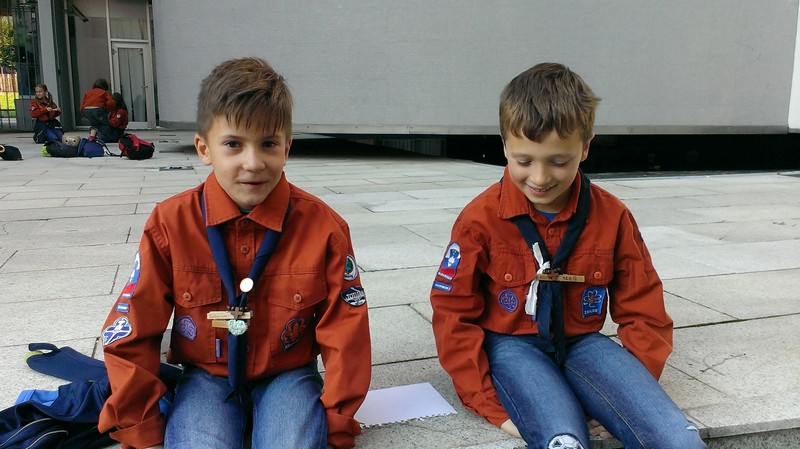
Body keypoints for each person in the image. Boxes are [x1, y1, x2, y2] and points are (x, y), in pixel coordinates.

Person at [97, 57, 371, 449]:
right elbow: (133, 326)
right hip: (207, 375)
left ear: (287, 147)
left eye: (268, 144)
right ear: (203, 148)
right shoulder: (170, 223)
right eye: (233, 144)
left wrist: (337, 419)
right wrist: (141, 423)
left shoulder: (324, 227)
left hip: (288, 373)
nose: (253, 163)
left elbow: (347, 331)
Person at [430, 63, 707, 449]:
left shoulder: (612, 216)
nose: (540, 178)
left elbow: (644, 308)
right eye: (524, 161)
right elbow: (452, 313)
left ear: (586, 146)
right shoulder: (479, 219)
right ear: (504, 145)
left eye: (559, 162)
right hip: (512, 346)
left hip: (583, 343)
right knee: (564, 439)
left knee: (677, 438)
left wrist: (628, 394)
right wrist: (490, 404)